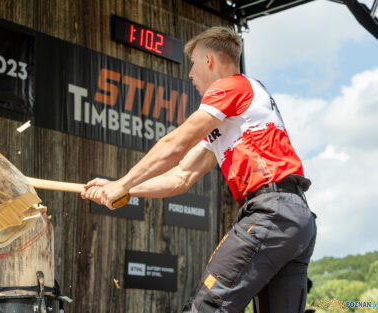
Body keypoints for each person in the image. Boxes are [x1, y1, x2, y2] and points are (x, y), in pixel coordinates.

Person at [81, 26, 317, 313]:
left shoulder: (231, 86)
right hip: (295, 220)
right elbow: (181, 177)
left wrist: (122, 182)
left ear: (208, 60)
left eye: (192, 64)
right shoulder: (233, 116)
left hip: (271, 212)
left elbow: (174, 144)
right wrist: (121, 187)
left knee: (207, 307)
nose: (190, 74)